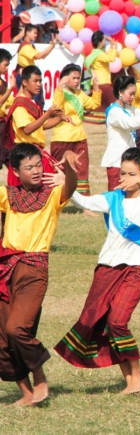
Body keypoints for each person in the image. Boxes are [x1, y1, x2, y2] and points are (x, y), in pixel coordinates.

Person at [54, 147, 140, 394]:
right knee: (102, 321)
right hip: (107, 268)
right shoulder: (113, 199)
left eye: (130, 174)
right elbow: (82, 200)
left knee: (118, 320)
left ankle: (138, 373)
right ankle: (131, 379)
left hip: (136, 268)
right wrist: (66, 178)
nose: (123, 178)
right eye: (122, 173)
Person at [0, 143, 78, 405]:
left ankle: (41, 377)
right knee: (1, 337)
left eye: (38, 165)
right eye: (29, 167)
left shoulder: (53, 194)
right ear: (16, 171)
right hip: (5, 270)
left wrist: (68, 169)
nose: (35, 170)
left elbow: (71, 187)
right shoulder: (9, 195)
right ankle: (26, 393)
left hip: (34, 269)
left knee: (17, 328)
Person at [3, 66, 62, 187]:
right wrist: (48, 114)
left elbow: (42, 125)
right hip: (26, 154)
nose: (39, 84)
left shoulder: (34, 103)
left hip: (36, 151)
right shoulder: (20, 104)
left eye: (40, 81)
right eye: (35, 81)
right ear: (24, 82)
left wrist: (60, 118)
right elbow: (27, 129)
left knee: (48, 186)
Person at [50, 64, 101, 201]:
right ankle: (54, 200)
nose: (77, 81)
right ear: (65, 78)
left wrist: (95, 86)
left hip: (79, 136)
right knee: (59, 170)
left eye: (79, 78)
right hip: (62, 138)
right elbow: (56, 105)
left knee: (82, 170)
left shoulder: (80, 94)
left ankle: (85, 204)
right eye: (74, 78)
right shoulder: (61, 92)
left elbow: (93, 104)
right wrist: (60, 85)